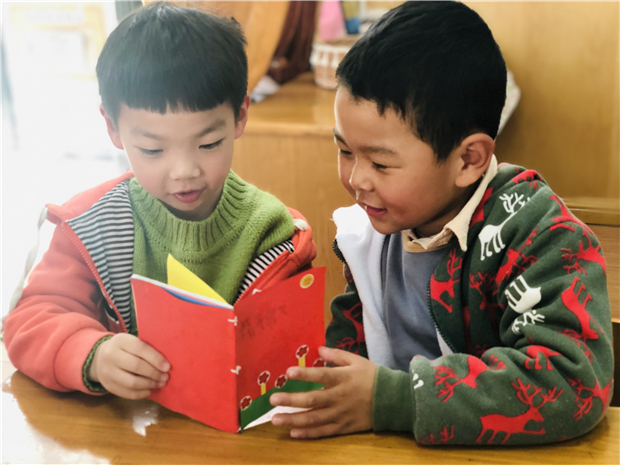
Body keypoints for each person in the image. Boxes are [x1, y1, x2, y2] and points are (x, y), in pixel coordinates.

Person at [269, 1, 613, 445]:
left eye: (380, 163)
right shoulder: (372, 234)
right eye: (345, 151)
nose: (356, 180)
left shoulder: (540, 236)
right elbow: (346, 362)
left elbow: (572, 383)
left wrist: (393, 399)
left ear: (468, 160)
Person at [3, 2, 316, 400]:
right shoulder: (96, 224)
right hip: (132, 427)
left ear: (240, 116)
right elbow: (31, 319)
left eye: (209, 143)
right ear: (112, 128)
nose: (184, 171)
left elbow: (289, 354)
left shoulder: (275, 235)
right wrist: (92, 354)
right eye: (152, 150)